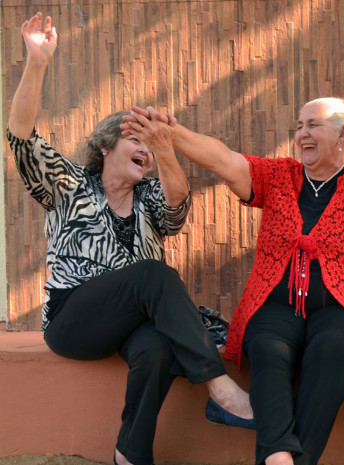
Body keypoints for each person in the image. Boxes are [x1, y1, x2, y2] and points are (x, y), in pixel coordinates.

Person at [123, 61, 344, 465]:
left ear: (342, 134)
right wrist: (171, 133)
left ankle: (281, 459)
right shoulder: (278, 175)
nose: (301, 134)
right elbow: (222, 159)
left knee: (332, 351)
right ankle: (278, 456)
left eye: (312, 125)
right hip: (275, 304)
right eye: (299, 125)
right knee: (267, 348)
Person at [7, 13, 255, 465]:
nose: (145, 148)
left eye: (149, 142)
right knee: (153, 274)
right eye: (134, 138)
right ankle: (219, 388)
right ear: (106, 146)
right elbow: (22, 139)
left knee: (156, 348)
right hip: (73, 322)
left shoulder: (148, 197)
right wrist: (38, 63)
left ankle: (130, 453)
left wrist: (165, 147)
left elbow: (176, 205)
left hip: (128, 323)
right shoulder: (69, 185)